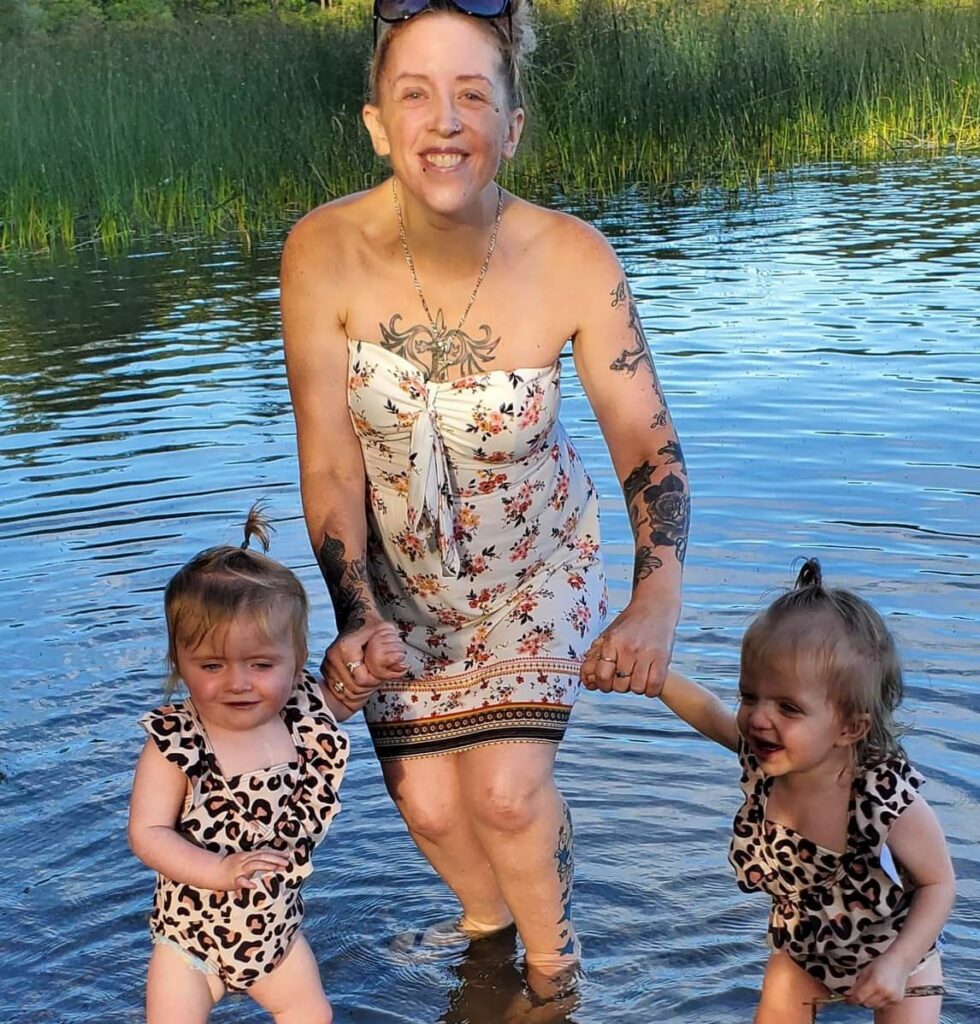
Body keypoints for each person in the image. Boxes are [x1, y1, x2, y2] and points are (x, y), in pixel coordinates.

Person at [279, 0, 688, 987]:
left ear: (512, 125)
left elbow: (646, 443)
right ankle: (486, 928)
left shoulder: (573, 257)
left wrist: (654, 601)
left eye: (472, 95)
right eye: (415, 95)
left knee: (503, 792)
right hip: (398, 581)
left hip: (538, 566)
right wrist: (358, 615)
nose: (445, 121)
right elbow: (329, 462)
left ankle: (552, 973)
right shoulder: (319, 251)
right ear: (377, 123)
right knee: (429, 807)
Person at [128, 505, 405, 1024]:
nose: (238, 682)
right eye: (212, 665)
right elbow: (147, 833)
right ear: (179, 663)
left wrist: (373, 667)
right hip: (190, 940)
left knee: (310, 1013)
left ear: (295, 661)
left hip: (276, 933)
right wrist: (218, 871)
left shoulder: (299, 712)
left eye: (261, 665)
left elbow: (343, 699)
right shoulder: (177, 742)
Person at [655, 559, 955, 1024]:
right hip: (804, 953)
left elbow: (940, 884)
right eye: (750, 696)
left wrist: (898, 964)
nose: (759, 718)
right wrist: (654, 675)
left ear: (849, 728)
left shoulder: (881, 798)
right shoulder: (765, 762)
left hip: (897, 958)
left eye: (788, 707)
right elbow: (709, 711)